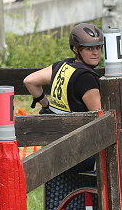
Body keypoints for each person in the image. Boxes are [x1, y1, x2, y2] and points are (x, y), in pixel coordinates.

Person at [23, 22, 103, 172]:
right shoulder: (86, 78)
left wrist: (46, 106)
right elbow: (101, 121)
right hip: (78, 154)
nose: (95, 53)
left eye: (98, 47)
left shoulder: (63, 66)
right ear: (76, 50)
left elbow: (30, 81)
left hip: (53, 147)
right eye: (89, 48)